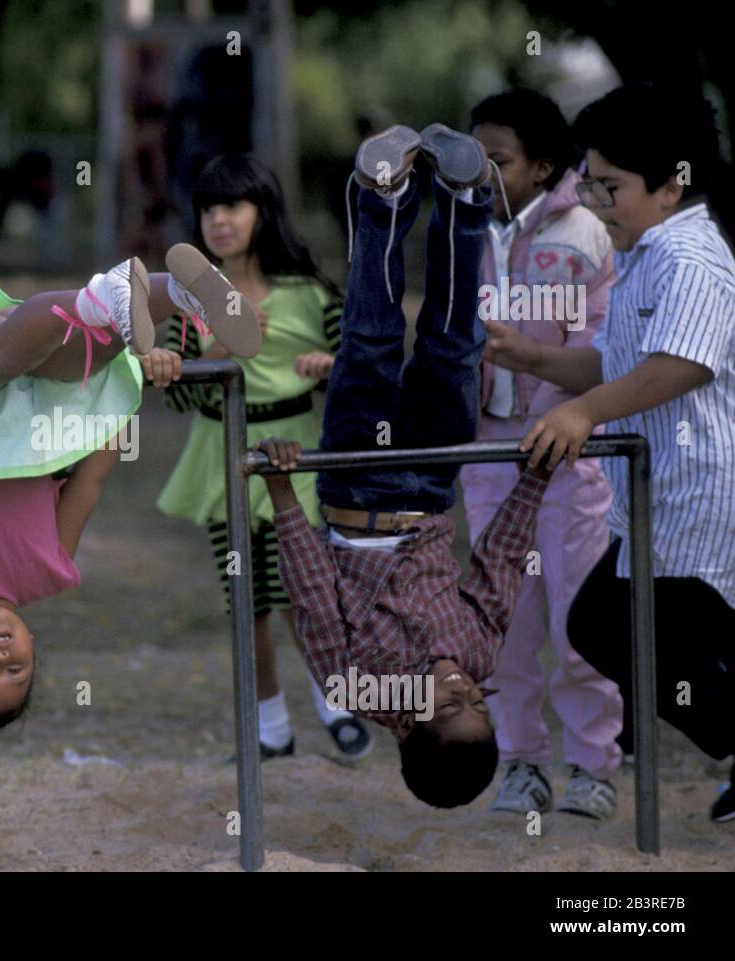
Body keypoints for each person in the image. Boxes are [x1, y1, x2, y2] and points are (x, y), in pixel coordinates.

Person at [0, 247, 260, 868]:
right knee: (87, 364)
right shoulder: (48, 568)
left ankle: (103, 301)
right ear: (34, 650)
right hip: (44, 408)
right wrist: (137, 384)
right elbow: (90, 479)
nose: (0, 659)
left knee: (3, 355)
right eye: (17, 672)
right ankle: (175, 294)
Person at [266, 124, 556, 808]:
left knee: (369, 340)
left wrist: (282, 492)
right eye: (477, 705)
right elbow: (501, 564)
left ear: (406, 726)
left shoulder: (354, 684)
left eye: (450, 706)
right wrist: (535, 477)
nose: (463, 688)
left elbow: (312, 594)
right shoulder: (478, 658)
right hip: (429, 482)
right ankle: (461, 201)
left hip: (357, 485)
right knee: (454, 349)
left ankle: (385, 199)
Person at [485, 84, 735, 823]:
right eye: (590, 182)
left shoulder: (692, 256)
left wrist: (584, 413)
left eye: (612, 186)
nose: (596, 200)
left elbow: (682, 362)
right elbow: (615, 362)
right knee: (600, 624)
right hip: (652, 505)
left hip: (702, 502)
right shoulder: (642, 254)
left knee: (635, 628)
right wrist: (531, 359)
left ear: (670, 185)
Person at [157, 154, 371, 762]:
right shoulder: (186, 301)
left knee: (305, 590)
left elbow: (365, 379)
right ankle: (270, 728)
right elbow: (177, 398)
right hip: (221, 454)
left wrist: (333, 370)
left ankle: (337, 704)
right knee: (246, 598)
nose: (219, 220)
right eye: (208, 209)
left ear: (263, 212)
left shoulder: (312, 295)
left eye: (234, 206)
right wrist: (214, 348)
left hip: (297, 458)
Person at [462, 89, 621, 818]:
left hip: (566, 451)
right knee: (504, 620)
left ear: (543, 164)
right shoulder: (465, 227)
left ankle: (594, 766)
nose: (482, 172)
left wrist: (528, 355)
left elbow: (602, 356)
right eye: (475, 158)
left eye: (497, 160)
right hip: (488, 453)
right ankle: (520, 762)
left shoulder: (587, 233)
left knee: (577, 621)